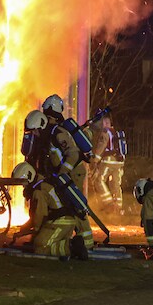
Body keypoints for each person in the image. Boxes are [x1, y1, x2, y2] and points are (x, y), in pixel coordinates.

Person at [42, 94, 94, 250]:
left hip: (73, 171)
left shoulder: (59, 132)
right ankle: (79, 240)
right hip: (70, 172)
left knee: (75, 204)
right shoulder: (54, 130)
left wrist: (63, 172)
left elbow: (73, 153)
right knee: (70, 203)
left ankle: (86, 243)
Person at [13, 162, 84, 259]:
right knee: (51, 243)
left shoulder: (38, 192)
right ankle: (68, 244)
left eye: (23, 184)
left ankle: (72, 247)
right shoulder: (44, 183)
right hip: (66, 221)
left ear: (28, 178)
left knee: (40, 247)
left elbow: (40, 215)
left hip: (58, 222)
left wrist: (37, 232)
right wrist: (26, 227)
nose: (23, 187)